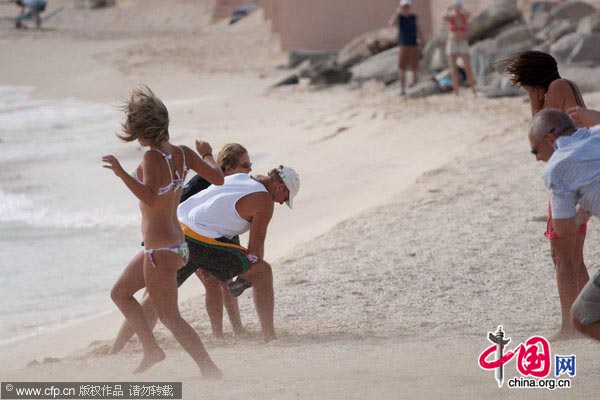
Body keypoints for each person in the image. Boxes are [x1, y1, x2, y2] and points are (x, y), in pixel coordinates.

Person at [102, 86, 224, 377]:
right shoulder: (183, 154)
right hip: (174, 245)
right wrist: (207, 154)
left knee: (170, 316)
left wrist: (121, 174)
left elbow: (150, 196)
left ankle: (210, 369)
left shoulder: (152, 158)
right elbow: (218, 178)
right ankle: (151, 349)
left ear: (142, 132)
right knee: (120, 293)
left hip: (160, 250)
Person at [110, 165, 300, 347]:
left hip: (176, 230)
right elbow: (256, 251)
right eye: (286, 197)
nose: (282, 202)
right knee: (263, 271)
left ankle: (117, 348)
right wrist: (243, 280)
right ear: (280, 186)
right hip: (201, 241)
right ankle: (270, 337)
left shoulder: (239, 178)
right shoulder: (265, 200)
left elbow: (213, 210)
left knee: (156, 295)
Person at [109, 144, 251, 355]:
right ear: (228, 168)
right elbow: (171, 205)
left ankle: (221, 335)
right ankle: (121, 347)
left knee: (216, 282)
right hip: (176, 238)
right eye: (245, 166)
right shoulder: (207, 181)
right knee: (154, 299)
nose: (249, 170)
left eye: (250, 165)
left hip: (196, 238)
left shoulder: (234, 192)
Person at [505, 50, 589, 339]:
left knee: (562, 256)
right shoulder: (565, 85)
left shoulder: (556, 87)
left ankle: (569, 326)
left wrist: (532, 96)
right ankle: (585, 319)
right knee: (573, 257)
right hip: (577, 173)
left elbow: (540, 132)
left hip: (569, 176)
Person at [527, 109, 600, 341]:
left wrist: (580, 216)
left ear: (550, 138)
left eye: (535, 150)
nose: (537, 158)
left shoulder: (556, 168)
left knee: (582, 317)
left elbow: (565, 229)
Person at [388, 0, 423, 96]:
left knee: (414, 66)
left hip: (413, 44)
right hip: (403, 44)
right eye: (404, 7)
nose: (406, 9)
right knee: (401, 67)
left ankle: (415, 83)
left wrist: (421, 42)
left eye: (407, 7)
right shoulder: (400, 17)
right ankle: (402, 88)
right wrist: (397, 12)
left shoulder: (413, 17)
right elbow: (391, 23)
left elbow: (418, 29)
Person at [442, 0, 477, 95]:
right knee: (453, 67)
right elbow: (443, 17)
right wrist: (448, 8)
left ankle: (473, 89)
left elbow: (470, 14)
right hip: (452, 43)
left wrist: (462, 9)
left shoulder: (464, 17)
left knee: (467, 66)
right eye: (455, 6)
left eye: (458, 6)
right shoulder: (450, 18)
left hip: (462, 43)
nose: (456, 8)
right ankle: (456, 91)